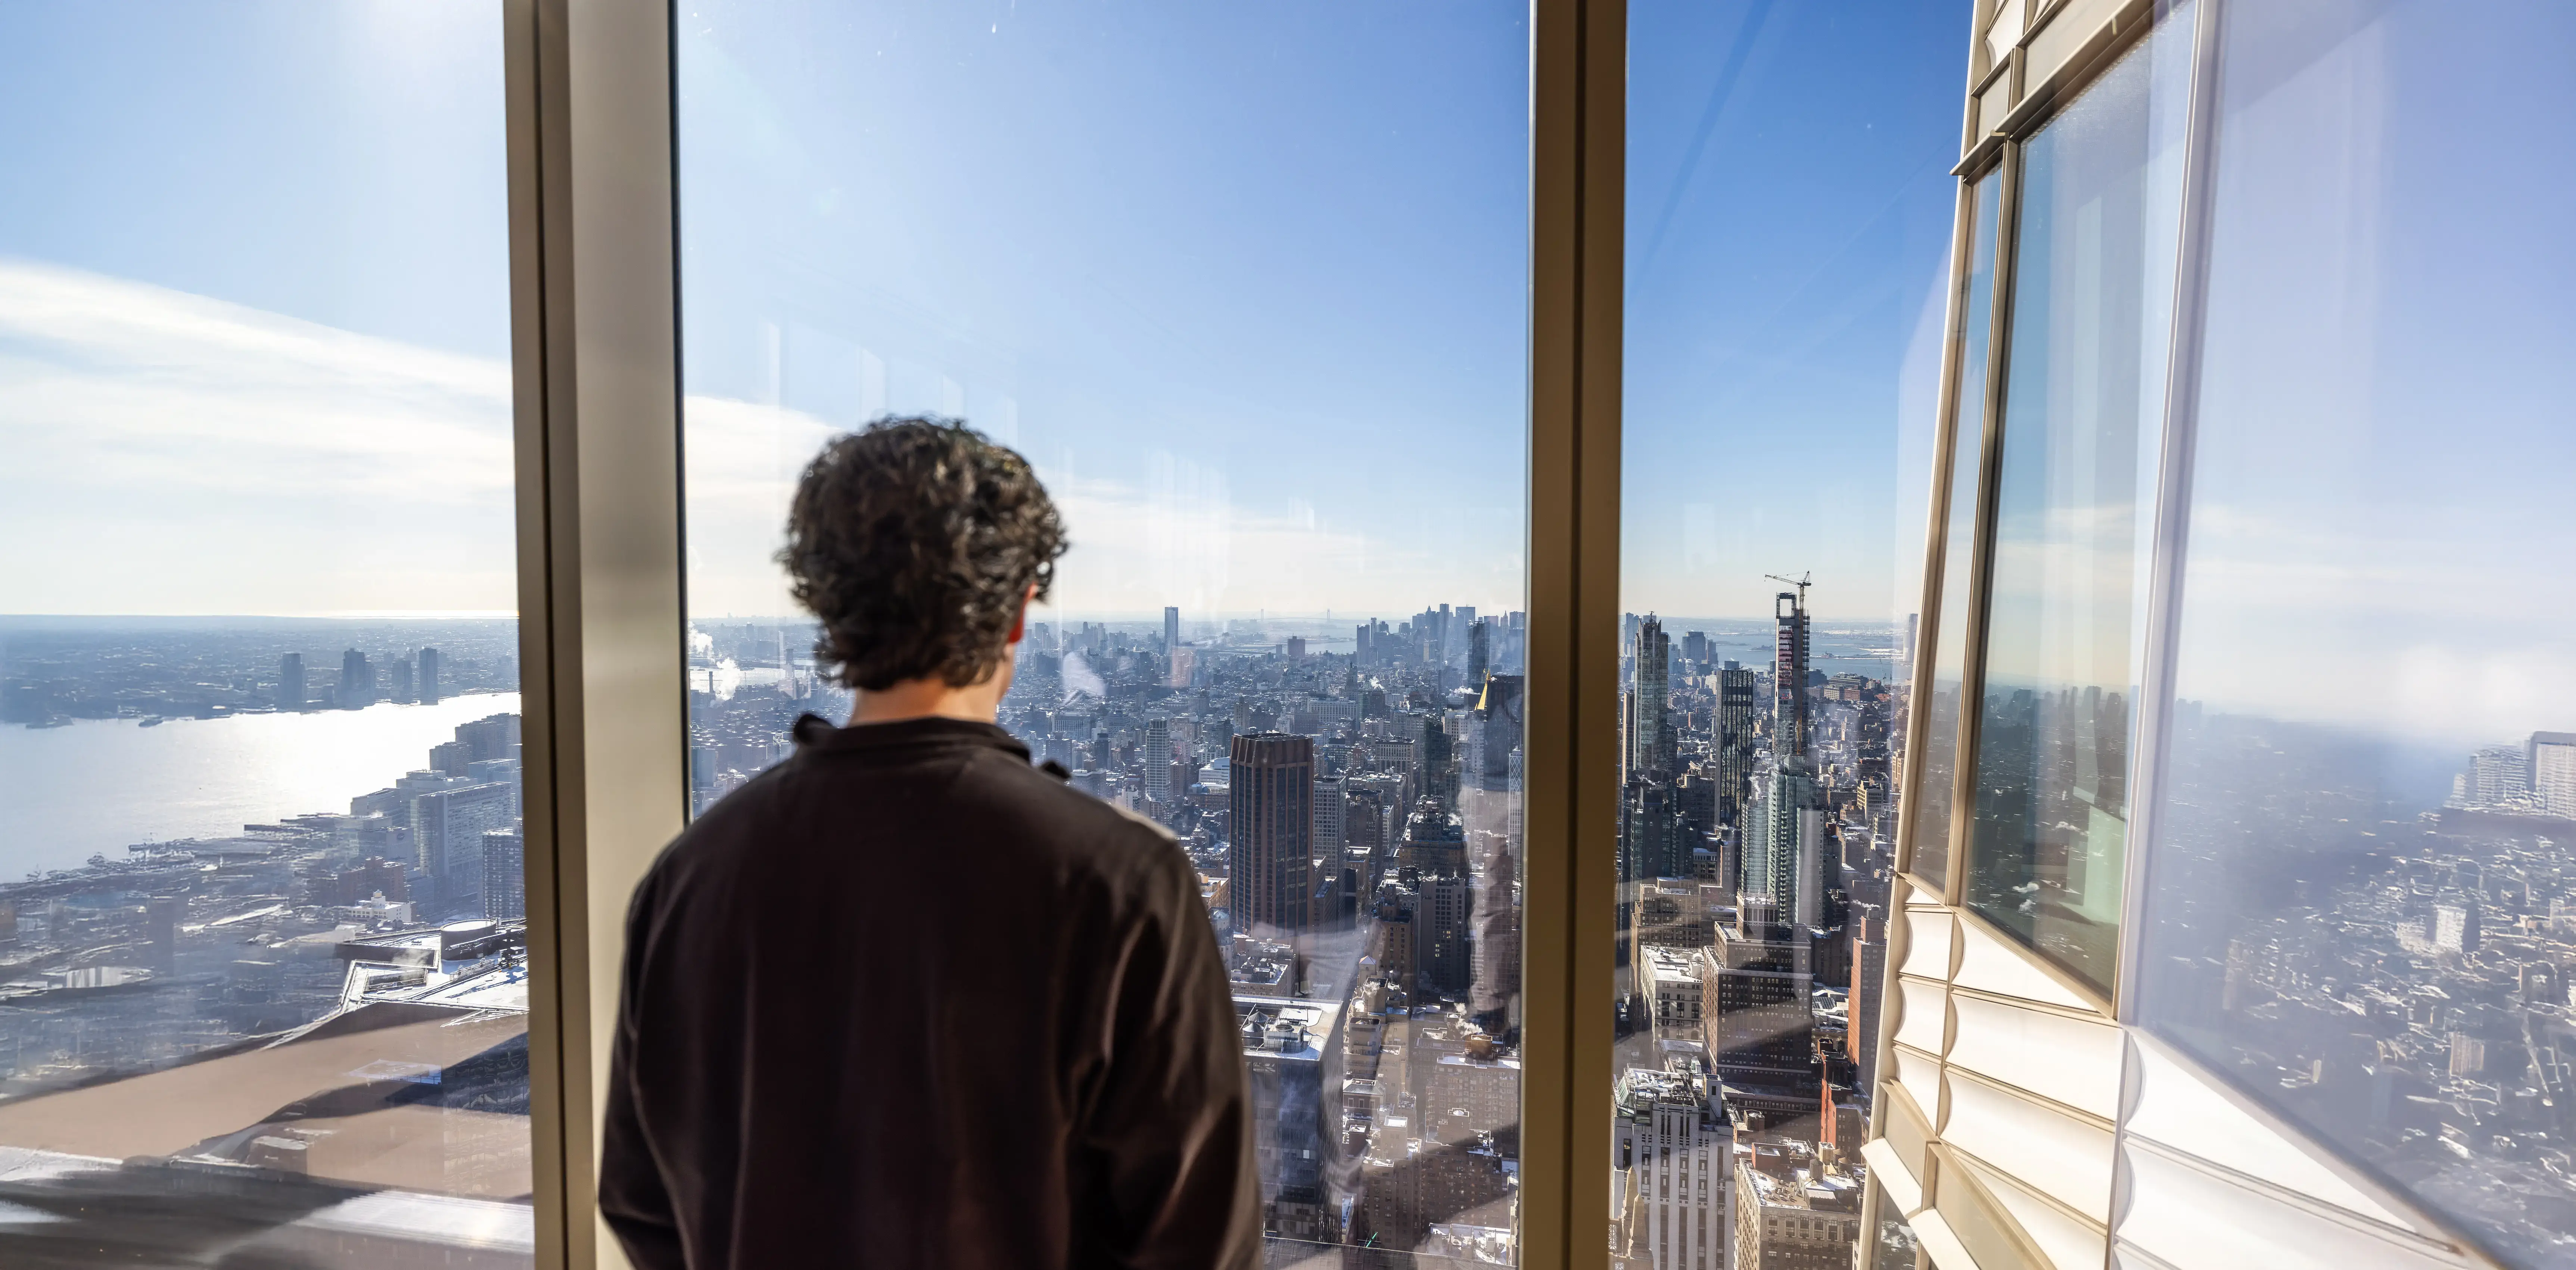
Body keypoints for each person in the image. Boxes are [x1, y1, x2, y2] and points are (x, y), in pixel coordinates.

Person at [601, 418, 1258, 1269]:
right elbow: (1198, 1245)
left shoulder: (689, 881)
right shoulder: (1121, 888)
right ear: (1020, 613)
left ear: (828, 605)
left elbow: (640, 1202)